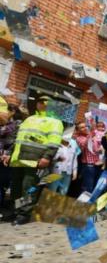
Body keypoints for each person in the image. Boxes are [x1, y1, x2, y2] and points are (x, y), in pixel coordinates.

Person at [9, 96, 64, 225]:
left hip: (35, 160)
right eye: (40, 101)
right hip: (18, 159)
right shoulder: (29, 119)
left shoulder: (55, 121)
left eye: (45, 102)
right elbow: (18, 139)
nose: (42, 104)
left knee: (28, 188)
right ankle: (17, 211)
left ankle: (24, 214)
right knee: (16, 188)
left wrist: (47, 157)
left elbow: (54, 143)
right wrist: (10, 154)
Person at [0, 99, 22, 215]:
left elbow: (13, 141)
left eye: (5, 110)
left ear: (12, 111)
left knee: (2, 182)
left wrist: (7, 154)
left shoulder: (17, 124)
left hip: (6, 158)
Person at [75, 121, 101, 194]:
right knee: (87, 188)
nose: (85, 128)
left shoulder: (92, 136)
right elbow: (85, 144)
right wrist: (91, 132)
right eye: (82, 127)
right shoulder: (79, 138)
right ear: (78, 131)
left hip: (97, 165)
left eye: (85, 126)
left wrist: (100, 149)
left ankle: (86, 203)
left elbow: (96, 150)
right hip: (88, 166)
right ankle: (82, 204)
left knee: (93, 188)